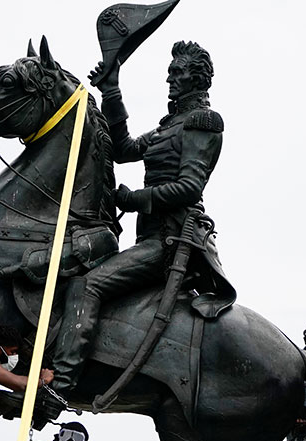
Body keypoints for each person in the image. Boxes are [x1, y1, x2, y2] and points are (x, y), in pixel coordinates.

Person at [49, 40, 224, 397]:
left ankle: (60, 386)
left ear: (198, 78)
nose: (170, 79)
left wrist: (132, 199)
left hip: (171, 240)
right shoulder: (169, 126)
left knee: (88, 285)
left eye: (177, 73)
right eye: (170, 72)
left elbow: (190, 187)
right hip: (150, 238)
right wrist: (111, 89)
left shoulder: (201, 123)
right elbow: (125, 149)